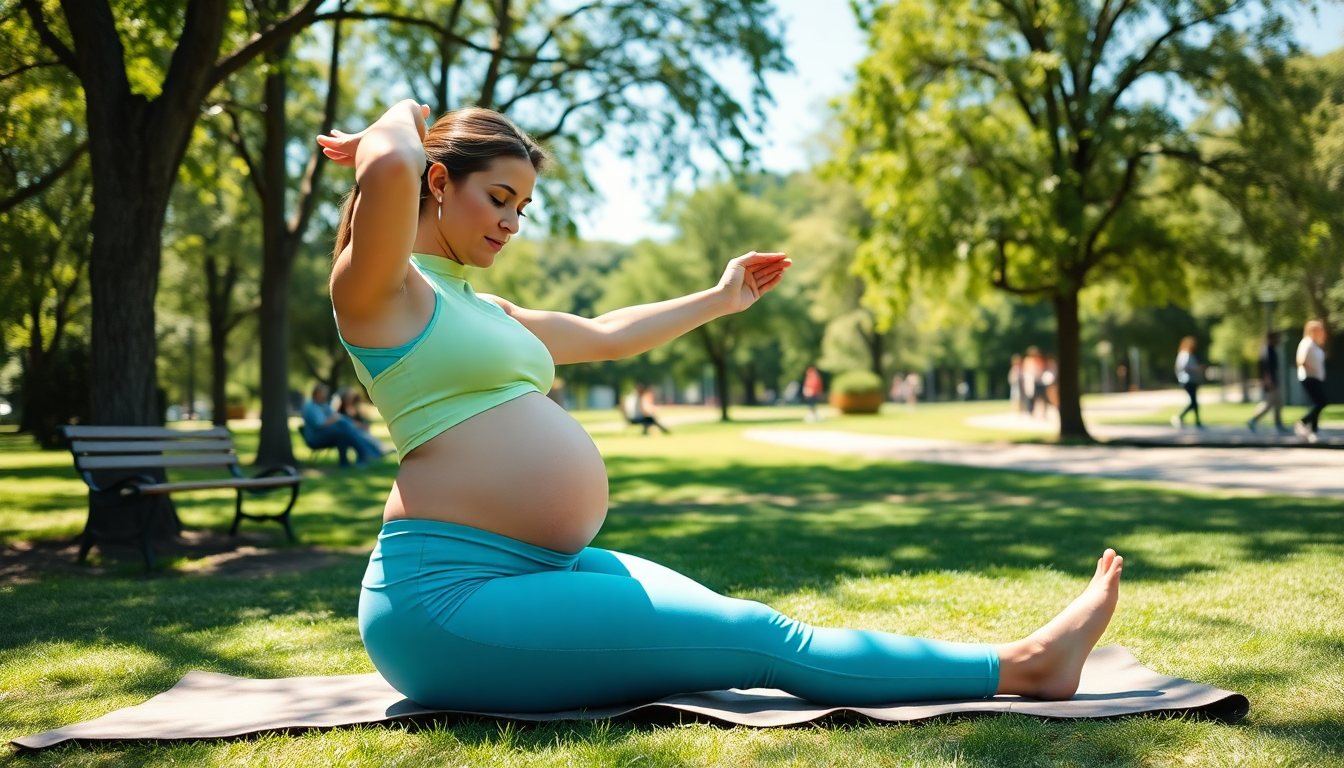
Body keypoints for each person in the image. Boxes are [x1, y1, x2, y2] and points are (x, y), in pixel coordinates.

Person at [317, 100, 1124, 714]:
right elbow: (385, 168)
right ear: (436, 180)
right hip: (449, 599)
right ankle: (1024, 666)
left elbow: (604, 333)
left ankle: (1017, 663)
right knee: (759, 644)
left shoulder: (484, 309)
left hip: (540, 569)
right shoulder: (378, 293)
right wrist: (396, 121)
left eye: (522, 207)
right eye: (499, 197)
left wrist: (719, 296)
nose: (512, 222)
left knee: (742, 621)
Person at [301, 383, 380, 468]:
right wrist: (335, 419)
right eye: (323, 393)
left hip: (326, 434)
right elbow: (320, 424)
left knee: (344, 430)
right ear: (317, 393)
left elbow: (336, 416)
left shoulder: (323, 405)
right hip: (315, 438)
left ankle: (348, 461)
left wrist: (339, 418)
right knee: (343, 430)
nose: (325, 395)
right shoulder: (310, 407)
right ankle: (364, 454)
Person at [1295, 320, 1329, 443]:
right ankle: (1303, 422)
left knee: (1317, 403)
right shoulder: (1306, 343)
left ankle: (1314, 430)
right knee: (1321, 401)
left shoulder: (1315, 345)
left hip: (1317, 378)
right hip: (1309, 377)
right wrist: (1313, 369)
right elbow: (1301, 361)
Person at [1248, 331, 1286, 434]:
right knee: (1270, 403)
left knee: (1276, 402)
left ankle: (1277, 424)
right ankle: (1254, 420)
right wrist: (1268, 380)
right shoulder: (1267, 350)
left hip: (1273, 379)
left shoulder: (1270, 348)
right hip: (1270, 381)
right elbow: (1266, 368)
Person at [336, 386, 391, 457]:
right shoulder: (339, 411)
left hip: (358, 430)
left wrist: (363, 424)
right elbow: (347, 423)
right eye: (348, 397)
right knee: (363, 436)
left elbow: (362, 420)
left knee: (365, 435)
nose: (350, 399)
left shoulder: (353, 408)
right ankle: (378, 451)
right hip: (348, 433)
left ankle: (379, 451)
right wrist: (360, 425)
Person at [1171, 337, 1203, 429]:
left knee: (1194, 402)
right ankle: (1180, 417)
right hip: (1188, 380)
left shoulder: (1185, 354)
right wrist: (1197, 369)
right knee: (1193, 402)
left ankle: (1198, 421)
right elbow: (1185, 367)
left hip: (1189, 380)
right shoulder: (1186, 355)